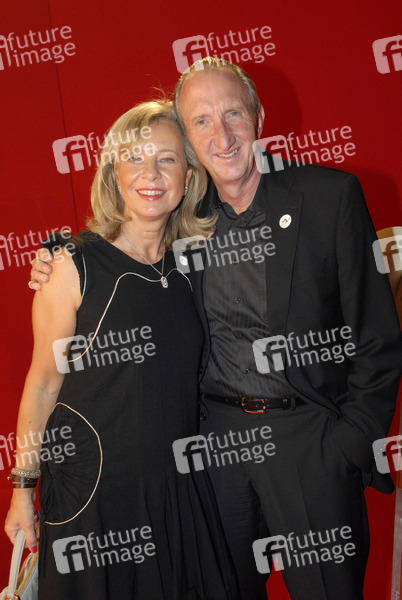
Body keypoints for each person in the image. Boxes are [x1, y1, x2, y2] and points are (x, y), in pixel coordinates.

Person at [29, 58, 402, 600]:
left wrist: (347, 446)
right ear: (188, 141)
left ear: (258, 116)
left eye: (233, 114)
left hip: (309, 445)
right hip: (215, 452)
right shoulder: (184, 216)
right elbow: (120, 245)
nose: (221, 136)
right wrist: (56, 254)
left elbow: (377, 337)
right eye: (201, 121)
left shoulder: (329, 197)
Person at [6, 99, 240, 600]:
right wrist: (22, 488)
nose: (150, 174)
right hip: (95, 501)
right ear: (114, 172)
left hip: (179, 494)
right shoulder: (71, 265)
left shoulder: (193, 265)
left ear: (188, 176)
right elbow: (43, 382)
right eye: (135, 158)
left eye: (167, 159)